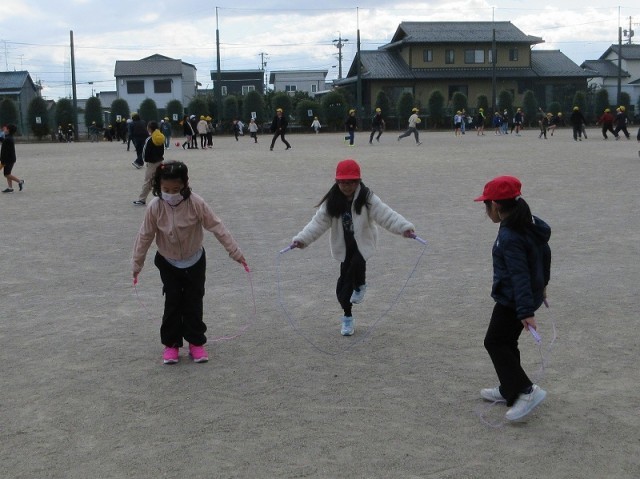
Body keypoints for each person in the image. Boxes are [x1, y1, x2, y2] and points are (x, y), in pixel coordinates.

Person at [132, 161, 246, 364]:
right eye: (166, 189)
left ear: (185, 184)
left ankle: (196, 342)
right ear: (158, 186)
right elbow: (145, 236)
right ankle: (171, 344)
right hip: (168, 262)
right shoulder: (155, 207)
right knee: (173, 302)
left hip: (194, 261)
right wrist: (136, 263)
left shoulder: (196, 203)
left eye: (176, 189)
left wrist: (235, 252)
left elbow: (217, 227)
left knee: (194, 302)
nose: (171, 194)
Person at [291, 159, 415, 336]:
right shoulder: (332, 201)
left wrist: (404, 228)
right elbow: (318, 223)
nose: (346, 187)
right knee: (344, 286)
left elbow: (386, 214)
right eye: (342, 182)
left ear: (358, 182)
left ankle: (361, 284)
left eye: (351, 182)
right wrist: (302, 239)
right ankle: (347, 316)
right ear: (337, 182)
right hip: (344, 245)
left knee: (356, 265)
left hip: (362, 243)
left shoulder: (367, 197)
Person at [474, 175, 551, 422]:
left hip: (513, 300)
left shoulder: (510, 235)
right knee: (507, 343)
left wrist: (526, 311)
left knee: (494, 342)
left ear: (496, 205)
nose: (486, 211)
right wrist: (543, 285)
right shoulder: (527, 222)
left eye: (486, 205)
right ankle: (510, 387)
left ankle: (527, 391)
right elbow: (544, 253)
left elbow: (519, 274)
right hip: (525, 296)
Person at [132, 121, 165, 206]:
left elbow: (145, 152)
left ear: (149, 128)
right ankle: (164, 196)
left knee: (148, 181)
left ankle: (142, 199)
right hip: (159, 161)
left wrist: (145, 161)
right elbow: (162, 150)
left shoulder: (150, 139)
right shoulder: (161, 137)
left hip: (152, 163)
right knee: (159, 180)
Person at [0, 124, 25, 193]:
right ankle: (10, 188)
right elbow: (3, 140)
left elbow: (5, 151)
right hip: (10, 159)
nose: (4, 130)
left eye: (5, 129)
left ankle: (20, 181)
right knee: (8, 173)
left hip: (8, 160)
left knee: (6, 174)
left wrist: (2, 160)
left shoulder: (8, 139)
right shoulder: (9, 137)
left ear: (8, 130)